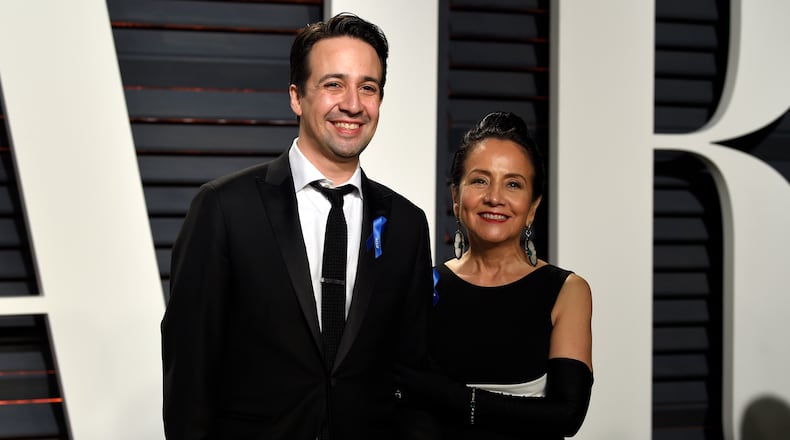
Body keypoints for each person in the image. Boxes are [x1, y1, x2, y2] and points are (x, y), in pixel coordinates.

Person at [161, 13, 433, 440]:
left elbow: (415, 376)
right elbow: (189, 370)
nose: (353, 104)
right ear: (296, 97)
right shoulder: (224, 208)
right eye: (333, 84)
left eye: (368, 87)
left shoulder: (406, 224)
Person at [396, 112, 593, 439]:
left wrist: (449, 397)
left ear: (532, 207)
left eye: (513, 184)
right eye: (479, 180)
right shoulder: (423, 286)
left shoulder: (567, 291)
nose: (495, 197)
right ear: (456, 198)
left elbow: (566, 415)